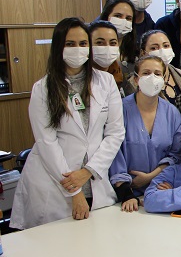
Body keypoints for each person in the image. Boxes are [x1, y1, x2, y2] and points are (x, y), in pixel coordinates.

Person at [11, 18, 124, 228]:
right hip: (54, 185)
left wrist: (87, 171)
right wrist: (74, 190)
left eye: (83, 43)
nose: (77, 49)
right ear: (58, 47)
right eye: (70, 44)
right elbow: (46, 142)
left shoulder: (106, 82)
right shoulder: (43, 88)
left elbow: (115, 133)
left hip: (93, 179)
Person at [109, 55, 181, 212]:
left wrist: (151, 177)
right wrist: (126, 193)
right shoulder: (120, 110)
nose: (152, 77)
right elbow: (113, 153)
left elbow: (178, 154)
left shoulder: (172, 113)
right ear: (136, 79)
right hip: (126, 196)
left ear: (163, 79)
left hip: (162, 189)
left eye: (157, 73)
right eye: (146, 73)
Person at [124, 30, 181, 104]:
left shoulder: (180, 73)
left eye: (166, 46)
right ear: (143, 53)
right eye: (154, 48)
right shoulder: (134, 82)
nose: (162, 50)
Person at [97, 0, 137, 79]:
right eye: (118, 16)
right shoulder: (96, 50)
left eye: (128, 18)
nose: (123, 21)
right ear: (106, 17)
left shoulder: (134, 52)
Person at [88, 21, 124, 90]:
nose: (107, 47)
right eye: (100, 42)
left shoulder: (119, 75)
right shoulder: (79, 78)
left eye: (113, 43)